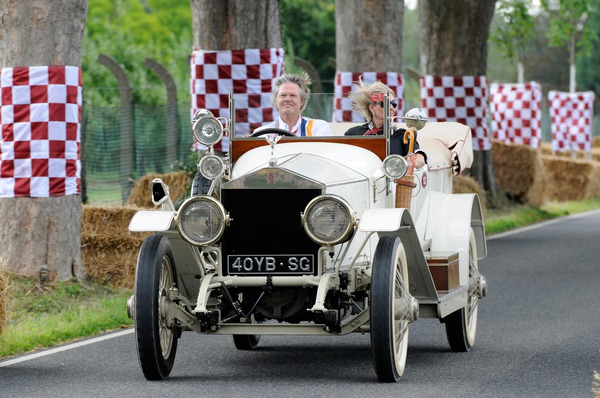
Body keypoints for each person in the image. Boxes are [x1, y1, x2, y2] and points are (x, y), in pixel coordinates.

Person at [345, 79, 427, 168]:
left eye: (394, 103)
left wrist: (406, 162)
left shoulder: (402, 135)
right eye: (386, 103)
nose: (391, 107)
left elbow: (419, 160)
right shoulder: (353, 134)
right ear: (372, 108)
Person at [256, 72, 332, 136]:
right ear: (276, 100)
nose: (287, 99)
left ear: (302, 101)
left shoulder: (318, 129)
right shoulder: (262, 134)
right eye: (283, 95)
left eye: (293, 95)